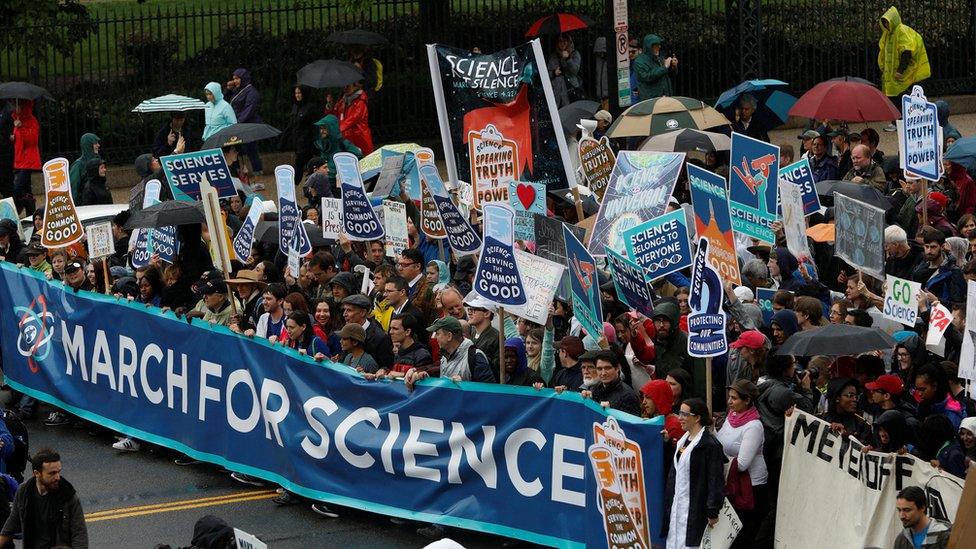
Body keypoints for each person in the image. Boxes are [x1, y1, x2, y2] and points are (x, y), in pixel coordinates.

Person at [663, 398, 725, 549]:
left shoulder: (710, 445)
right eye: (680, 413)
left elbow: (715, 480)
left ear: (697, 417)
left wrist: (712, 510)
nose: (680, 418)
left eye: (685, 414)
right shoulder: (682, 441)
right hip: (678, 506)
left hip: (696, 509)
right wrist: (666, 443)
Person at [0, 448, 88, 548]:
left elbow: (79, 535)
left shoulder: (68, 496)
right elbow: (12, 523)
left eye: (58, 472)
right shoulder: (24, 491)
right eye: (52, 473)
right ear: (37, 473)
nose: (58, 477)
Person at [716, 380, 767, 549]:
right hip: (732, 483)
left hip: (750, 487)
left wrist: (717, 465)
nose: (729, 402)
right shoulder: (731, 417)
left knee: (742, 535)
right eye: (729, 397)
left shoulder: (754, 426)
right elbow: (721, 442)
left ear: (747, 401)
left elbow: (743, 463)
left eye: (734, 398)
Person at [879, 7, 930, 132]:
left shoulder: (901, 31)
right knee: (894, 95)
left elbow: (907, 51)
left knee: (901, 96)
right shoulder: (889, 34)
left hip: (908, 72)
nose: (886, 24)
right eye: (884, 22)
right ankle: (899, 121)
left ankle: (900, 121)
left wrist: (900, 70)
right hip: (899, 73)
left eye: (887, 21)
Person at [410, 316, 493, 387]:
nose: (435, 338)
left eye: (438, 333)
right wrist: (424, 374)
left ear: (449, 336)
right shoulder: (445, 356)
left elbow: (487, 390)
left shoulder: (475, 357)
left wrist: (464, 384)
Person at [341, 294, 394, 373]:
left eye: (349, 310)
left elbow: (387, 366)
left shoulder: (380, 338)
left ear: (362, 313)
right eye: (344, 310)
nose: (344, 314)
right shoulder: (346, 329)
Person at [912, 227, 965, 305]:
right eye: (927, 246)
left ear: (942, 247)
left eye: (933, 247)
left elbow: (958, 305)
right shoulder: (919, 269)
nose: (929, 251)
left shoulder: (953, 272)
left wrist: (937, 301)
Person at [374, 313, 434, 380]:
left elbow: (423, 379)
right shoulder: (396, 352)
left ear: (407, 332)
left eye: (395, 329)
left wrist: (402, 375)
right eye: (390, 328)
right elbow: (391, 370)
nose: (390, 332)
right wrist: (384, 370)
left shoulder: (422, 354)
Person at [226, 68, 263, 174]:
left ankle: (258, 176)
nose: (235, 81)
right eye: (234, 79)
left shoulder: (251, 92)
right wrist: (228, 89)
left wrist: (237, 123)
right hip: (238, 124)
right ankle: (237, 173)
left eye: (237, 78)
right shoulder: (237, 90)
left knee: (251, 150)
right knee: (235, 150)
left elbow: (249, 110)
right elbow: (226, 100)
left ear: (244, 78)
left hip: (247, 125)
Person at [326, 80, 374, 155]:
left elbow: (352, 119)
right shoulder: (343, 101)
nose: (345, 88)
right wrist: (330, 105)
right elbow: (334, 115)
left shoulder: (360, 102)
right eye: (344, 86)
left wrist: (337, 129)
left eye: (348, 86)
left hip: (359, 139)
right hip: (347, 138)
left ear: (356, 86)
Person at [10, 99, 40, 216]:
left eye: (17, 105)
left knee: (18, 189)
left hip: (28, 160)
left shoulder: (31, 120)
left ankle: (19, 210)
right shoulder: (18, 120)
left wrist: (21, 128)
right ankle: (31, 212)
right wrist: (14, 137)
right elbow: (20, 141)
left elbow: (33, 140)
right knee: (26, 190)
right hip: (20, 159)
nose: (15, 108)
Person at [281, 85, 320, 175]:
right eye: (296, 93)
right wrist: (284, 139)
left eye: (299, 93)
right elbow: (291, 125)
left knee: (299, 164)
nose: (297, 95)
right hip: (297, 141)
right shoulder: (295, 107)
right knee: (309, 164)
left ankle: (294, 183)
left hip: (307, 142)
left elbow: (314, 125)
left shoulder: (310, 107)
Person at [633, 34, 675, 100]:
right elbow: (647, 77)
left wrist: (673, 66)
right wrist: (665, 67)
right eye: (656, 45)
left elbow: (667, 76)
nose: (659, 47)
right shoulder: (639, 61)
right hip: (651, 99)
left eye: (659, 45)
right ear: (649, 46)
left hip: (665, 97)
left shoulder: (659, 58)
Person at [547, 33, 582, 108]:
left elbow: (575, 70)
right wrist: (554, 73)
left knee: (571, 111)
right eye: (560, 41)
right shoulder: (554, 56)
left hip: (571, 87)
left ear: (569, 42)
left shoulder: (575, 54)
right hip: (557, 90)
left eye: (565, 41)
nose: (562, 43)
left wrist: (568, 58)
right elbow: (547, 73)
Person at [467, 303, 500, 376]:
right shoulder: (471, 332)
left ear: (487, 313)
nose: (469, 313)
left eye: (473, 310)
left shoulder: (497, 337)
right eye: (469, 309)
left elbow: (497, 368)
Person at [68, 132, 100, 200]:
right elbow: (73, 187)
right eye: (95, 143)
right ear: (89, 145)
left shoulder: (98, 161)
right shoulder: (78, 165)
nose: (98, 145)